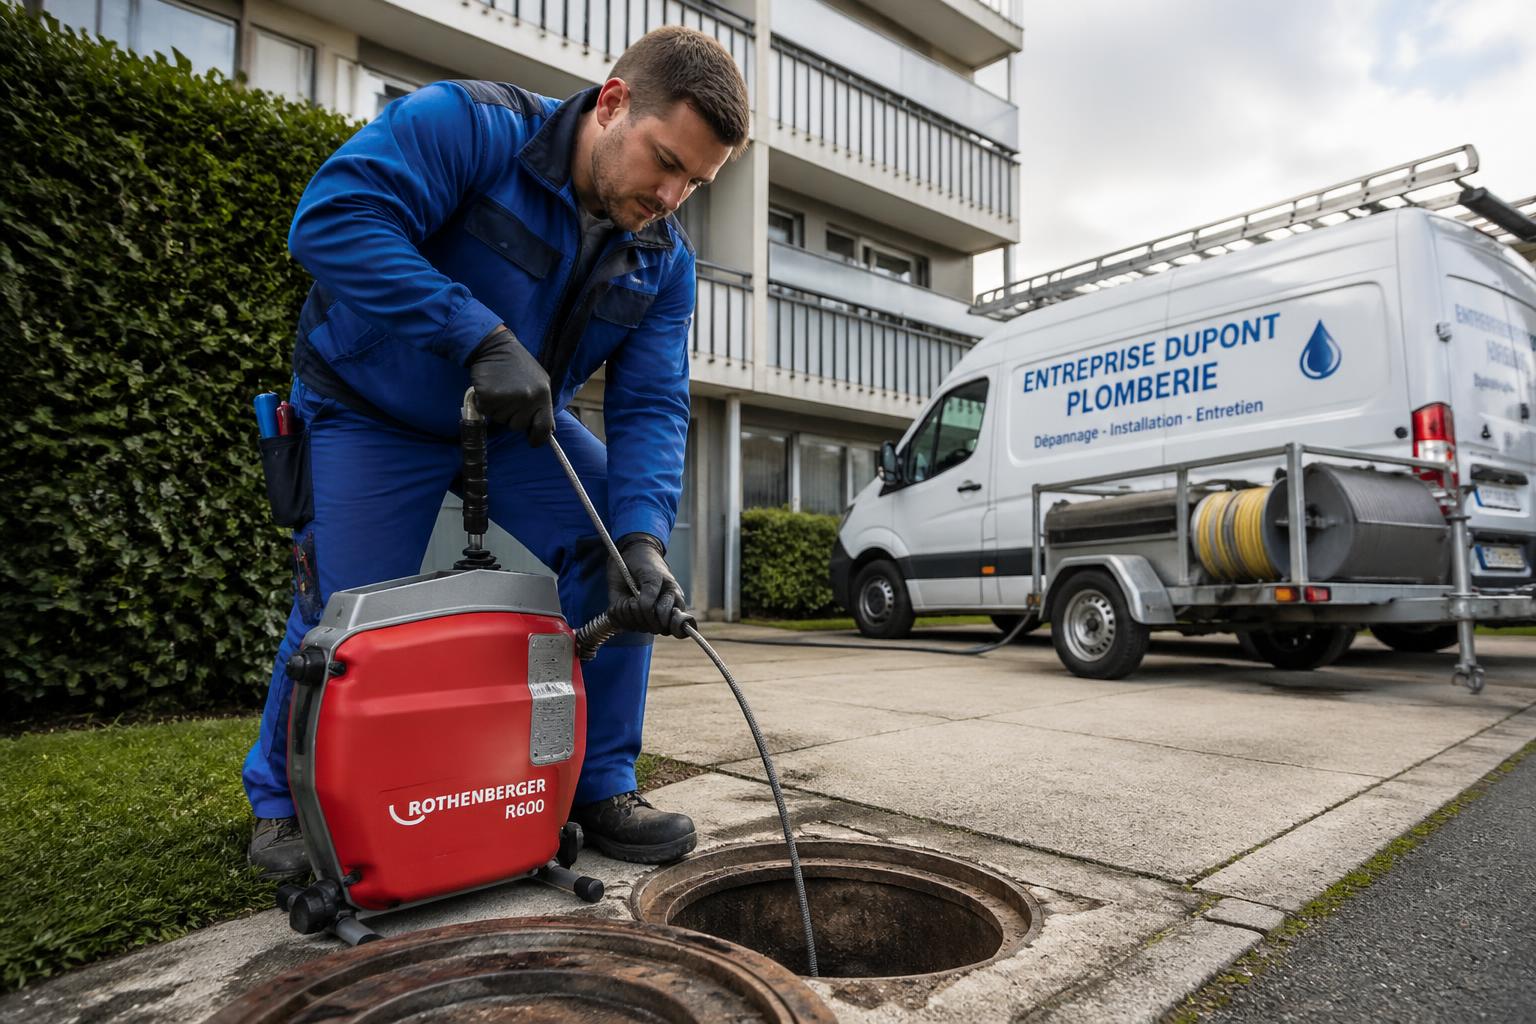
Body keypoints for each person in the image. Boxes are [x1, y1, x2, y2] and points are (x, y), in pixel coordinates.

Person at [242, 26, 750, 879]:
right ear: (614, 103)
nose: (671, 195)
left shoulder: (664, 260)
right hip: (373, 407)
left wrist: (643, 535)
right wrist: (473, 333)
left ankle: (601, 783)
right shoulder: (468, 125)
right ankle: (285, 806)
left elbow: (654, 404)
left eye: (695, 182)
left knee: (620, 562)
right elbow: (331, 220)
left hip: (512, 428)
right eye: (664, 162)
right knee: (349, 608)